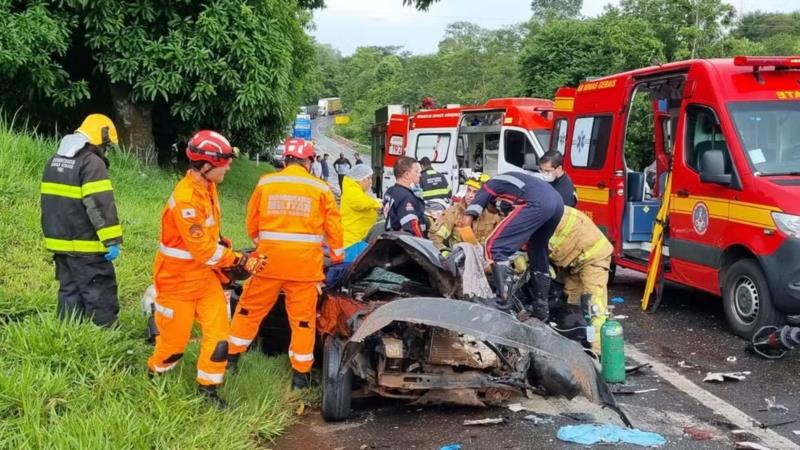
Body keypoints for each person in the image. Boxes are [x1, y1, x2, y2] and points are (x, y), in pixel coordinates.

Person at [147, 130, 267, 408]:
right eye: (224, 161)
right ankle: (155, 373)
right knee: (174, 346)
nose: (229, 166)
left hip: (204, 278)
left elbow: (207, 235)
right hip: (176, 281)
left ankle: (208, 390)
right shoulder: (187, 197)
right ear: (205, 166)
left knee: (218, 336)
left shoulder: (208, 188)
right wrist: (238, 260)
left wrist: (224, 244)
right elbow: (202, 249)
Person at [227, 138, 344, 390]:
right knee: (302, 321)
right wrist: (336, 257)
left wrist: (264, 243)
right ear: (309, 161)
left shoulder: (267, 182)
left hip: (268, 263)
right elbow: (333, 228)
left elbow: (252, 222)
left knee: (249, 310)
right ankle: (300, 378)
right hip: (304, 268)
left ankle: (231, 359)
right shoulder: (321, 188)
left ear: (286, 159)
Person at [40, 114, 123, 327]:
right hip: (85, 243)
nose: (105, 150)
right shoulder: (92, 163)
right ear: (100, 139)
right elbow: (99, 205)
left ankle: (69, 330)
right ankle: (104, 333)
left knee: (69, 289)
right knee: (99, 288)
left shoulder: (54, 160)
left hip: (59, 242)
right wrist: (111, 240)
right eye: (106, 145)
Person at [460, 172, 564, 320]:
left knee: (494, 246)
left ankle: (502, 302)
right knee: (537, 248)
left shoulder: (488, 187)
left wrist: (475, 252)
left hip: (538, 201)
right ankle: (541, 307)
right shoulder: (511, 189)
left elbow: (465, 223)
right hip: (557, 203)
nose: (496, 212)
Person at [548, 206, 613, 354]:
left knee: (594, 306)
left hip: (594, 258)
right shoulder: (547, 211)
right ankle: (577, 347)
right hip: (575, 262)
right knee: (570, 302)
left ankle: (601, 355)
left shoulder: (546, 213)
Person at [430, 173, 500, 256]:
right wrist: (445, 252)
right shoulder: (454, 212)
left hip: (484, 260)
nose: (470, 195)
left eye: (475, 192)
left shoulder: (493, 215)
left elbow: (501, 241)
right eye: (468, 190)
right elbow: (435, 236)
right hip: (460, 260)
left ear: (484, 195)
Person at [383, 156, 427, 238]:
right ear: (406, 174)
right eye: (416, 171)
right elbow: (412, 226)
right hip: (405, 244)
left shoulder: (390, 191)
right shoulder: (406, 198)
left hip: (391, 237)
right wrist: (423, 243)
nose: (420, 175)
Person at [341, 164, 382, 249]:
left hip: (358, 239)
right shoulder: (351, 191)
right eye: (368, 178)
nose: (371, 181)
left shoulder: (357, 191)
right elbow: (361, 202)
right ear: (359, 179)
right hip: (351, 241)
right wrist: (377, 204)